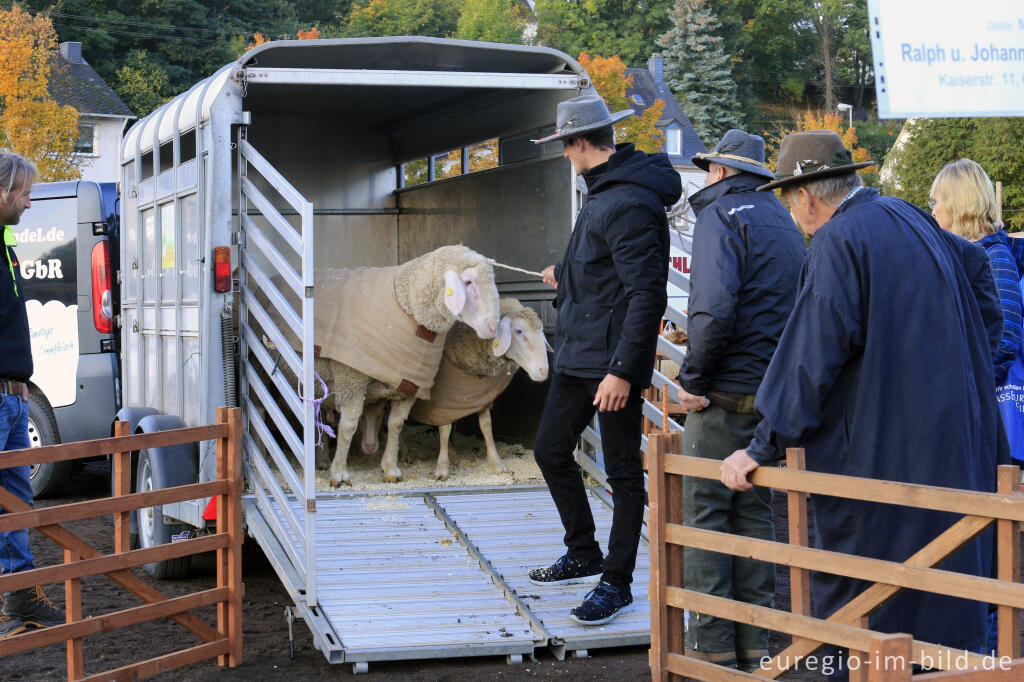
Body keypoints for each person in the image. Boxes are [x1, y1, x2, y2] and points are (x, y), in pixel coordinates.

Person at [720, 131, 1005, 675]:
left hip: (880, 457)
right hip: (951, 444)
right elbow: (980, 274)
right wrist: (965, 371)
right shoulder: (910, 215)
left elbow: (811, 351)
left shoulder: (839, 239)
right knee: (943, 589)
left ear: (806, 196)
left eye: (789, 200)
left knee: (869, 598)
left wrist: (762, 444)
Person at [528, 94, 681, 625]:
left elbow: (646, 293)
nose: (565, 155)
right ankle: (583, 551)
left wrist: (622, 371)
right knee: (549, 450)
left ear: (579, 143)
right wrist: (563, 273)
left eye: (565, 146)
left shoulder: (629, 201)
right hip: (579, 355)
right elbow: (604, 270)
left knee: (622, 472)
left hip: (611, 363)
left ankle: (615, 583)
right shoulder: (605, 192)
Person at [675, 130, 806, 671]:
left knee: (706, 515)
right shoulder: (785, 222)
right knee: (755, 512)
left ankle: (711, 651)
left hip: (723, 396)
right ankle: (758, 646)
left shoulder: (719, 217)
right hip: (771, 398)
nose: (705, 179)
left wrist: (694, 381)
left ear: (722, 173)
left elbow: (713, 309)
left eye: (708, 170)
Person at [0, 152, 64, 639]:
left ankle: (20, 595)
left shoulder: (4, 244)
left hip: (12, 397)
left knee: (16, 496)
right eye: (24, 192)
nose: (29, 201)